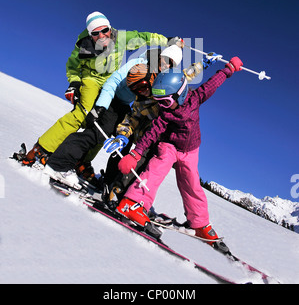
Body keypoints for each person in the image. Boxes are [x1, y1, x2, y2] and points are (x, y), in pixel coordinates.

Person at [115, 56, 243, 248]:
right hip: (169, 146)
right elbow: (152, 132)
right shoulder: (165, 114)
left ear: (180, 94)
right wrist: (136, 153)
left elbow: (213, 83)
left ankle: (199, 224)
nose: (162, 107)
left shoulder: (197, 97)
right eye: (158, 102)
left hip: (191, 150)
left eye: (165, 102)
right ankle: (132, 202)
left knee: (192, 185)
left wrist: (229, 69)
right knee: (155, 169)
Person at [22, 11, 170, 166]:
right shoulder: (84, 44)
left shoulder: (120, 37)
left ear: (110, 29)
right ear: (90, 34)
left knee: (106, 123)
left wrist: (167, 41)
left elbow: (144, 37)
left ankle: (83, 162)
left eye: (104, 30)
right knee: (83, 113)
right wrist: (74, 83)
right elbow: (72, 66)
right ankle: (42, 148)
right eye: (95, 33)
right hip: (91, 79)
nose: (101, 36)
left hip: (110, 81)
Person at [42, 45, 184, 188]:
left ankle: (110, 182)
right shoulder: (138, 63)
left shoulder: (159, 76)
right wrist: (101, 106)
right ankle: (59, 165)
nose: (166, 63)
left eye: (170, 63)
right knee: (98, 133)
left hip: (124, 106)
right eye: (165, 59)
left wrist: (201, 64)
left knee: (123, 142)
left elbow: (182, 79)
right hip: (110, 100)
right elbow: (113, 81)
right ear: (160, 56)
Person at [102, 52, 220, 205]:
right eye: (135, 90)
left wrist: (204, 63)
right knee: (136, 162)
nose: (141, 91)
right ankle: (116, 190)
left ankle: (133, 198)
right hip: (147, 139)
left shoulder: (164, 86)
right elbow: (131, 120)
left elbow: (186, 74)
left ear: (150, 79)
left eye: (143, 86)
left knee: (151, 170)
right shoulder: (140, 103)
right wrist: (122, 135)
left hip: (165, 140)